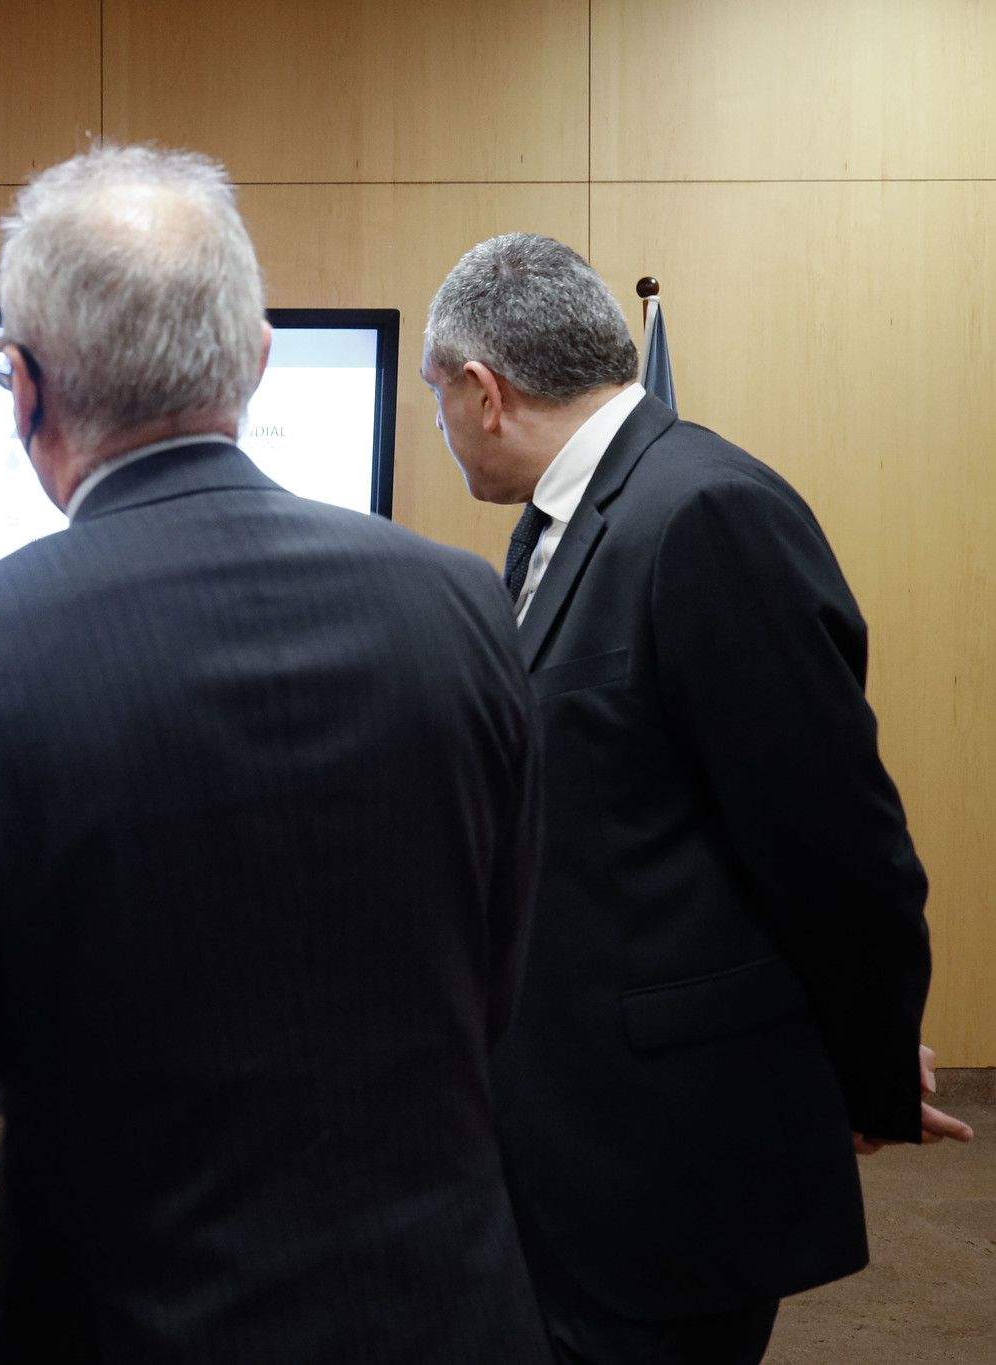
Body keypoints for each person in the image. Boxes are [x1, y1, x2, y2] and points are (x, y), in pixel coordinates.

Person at [0, 145, 551, 1363]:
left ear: (24, 389)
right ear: (254, 363)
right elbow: (492, 980)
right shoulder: (462, 607)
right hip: (446, 1317)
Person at [421, 232, 971, 1364]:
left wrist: (862, 1066)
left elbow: (834, 842)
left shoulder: (704, 514)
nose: (439, 430)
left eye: (435, 400)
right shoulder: (563, 525)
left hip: (662, 1165)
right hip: (578, 1141)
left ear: (482, 391)